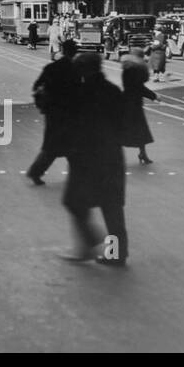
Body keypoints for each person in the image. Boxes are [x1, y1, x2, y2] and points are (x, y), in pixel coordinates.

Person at [60, 52, 129, 266]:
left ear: (82, 70)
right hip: (111, 157)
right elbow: (123, 126)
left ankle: (89, 242)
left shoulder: (78, 93)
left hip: (85, 158)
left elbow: (71, 125)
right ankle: (116, 254)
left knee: (74, 201)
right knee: (112, 209)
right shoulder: (112, 91)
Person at [27, 38, 81, 185]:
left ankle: (35, 172)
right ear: (74, 51)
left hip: (53, 112)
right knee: (74, 146)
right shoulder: (76, 70)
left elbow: (37, 85)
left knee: (51, 146)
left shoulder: (51, 68)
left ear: (63, 50)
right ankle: (77, 175)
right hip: (70, 113)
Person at [120, 48, 158, 165]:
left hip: (127, 101)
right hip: (133, 103)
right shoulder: (134, 70)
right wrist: (154, 96)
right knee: (139, 130)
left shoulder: (127, 68)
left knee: (128, 129)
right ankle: (143, 154)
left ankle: (143, 154)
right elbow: (139, 87)